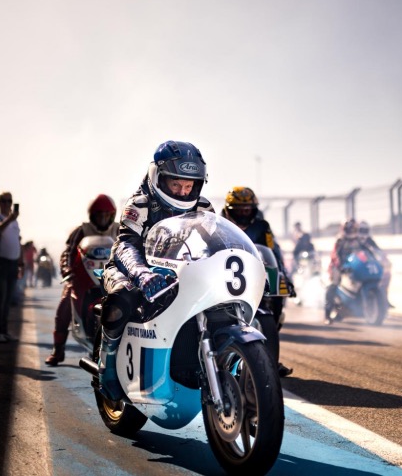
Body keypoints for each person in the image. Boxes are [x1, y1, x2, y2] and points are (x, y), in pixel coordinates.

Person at [98, 140, 212, 400]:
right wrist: (141, 273)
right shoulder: (140, 203)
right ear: (159, 177)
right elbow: (126, 244)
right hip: (129, 268)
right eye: (176, 184)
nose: (183, 192)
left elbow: (215, 243)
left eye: (189, 186)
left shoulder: (203, 207)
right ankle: (108, 361)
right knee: (122, 295)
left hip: (175, 269)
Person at [221, 186, 295, 377]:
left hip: (258, 270)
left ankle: (270, 361)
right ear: (229, 209)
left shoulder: (262, 226)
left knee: (278, 296)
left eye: (248, 210)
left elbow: (273, 250)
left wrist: (283, 274)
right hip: (226, 273)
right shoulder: (219, 224)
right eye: (239, 210)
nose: (244, 214)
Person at [45, 194, 119, 366]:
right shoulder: (81, 230)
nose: (103, 218)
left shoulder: (119, 229)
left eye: (106, 215)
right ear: (92, 215)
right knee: (65, 305)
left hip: (112, 276)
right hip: (83, 276)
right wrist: (67, 269)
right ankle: (58, 349)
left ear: (112, 215)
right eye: (99, 215)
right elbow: (68, 252)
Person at [0, 191, 21, 343]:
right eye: (4, 201)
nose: (7, 204)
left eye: (9, 201)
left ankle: (4, 331)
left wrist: (21, 263)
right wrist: (9, 219)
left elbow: (17, 241)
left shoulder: (15, 222)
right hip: (0, 264)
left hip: (13, 264)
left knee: (7, 300)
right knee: (0, 298)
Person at [324, 218, 363, 325]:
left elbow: (366, 252)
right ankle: (327, 313)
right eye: (349, 229)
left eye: (353, 229)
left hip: (354, 266)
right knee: (333, 285)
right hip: (339, 267)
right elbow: (335, 254)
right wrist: (340, 265)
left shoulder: (359, 240)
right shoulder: (340, 240)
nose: (351, 231)